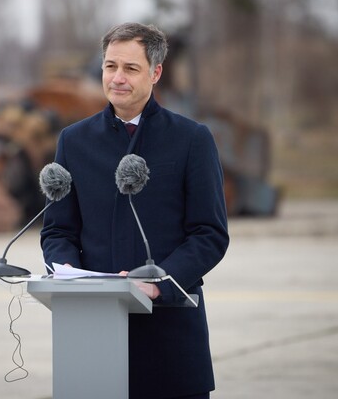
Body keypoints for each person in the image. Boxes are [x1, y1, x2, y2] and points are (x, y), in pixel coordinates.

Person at [40, 22, 229, 398]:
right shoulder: (73, 141)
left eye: (130, 68)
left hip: (170, 340)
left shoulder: (192, 139)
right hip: (93, 335)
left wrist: (160, 284)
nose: (117, 78)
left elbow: (209, 234)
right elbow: (58, 231)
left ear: (155, 73)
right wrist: (70, 278)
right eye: (110, 66)